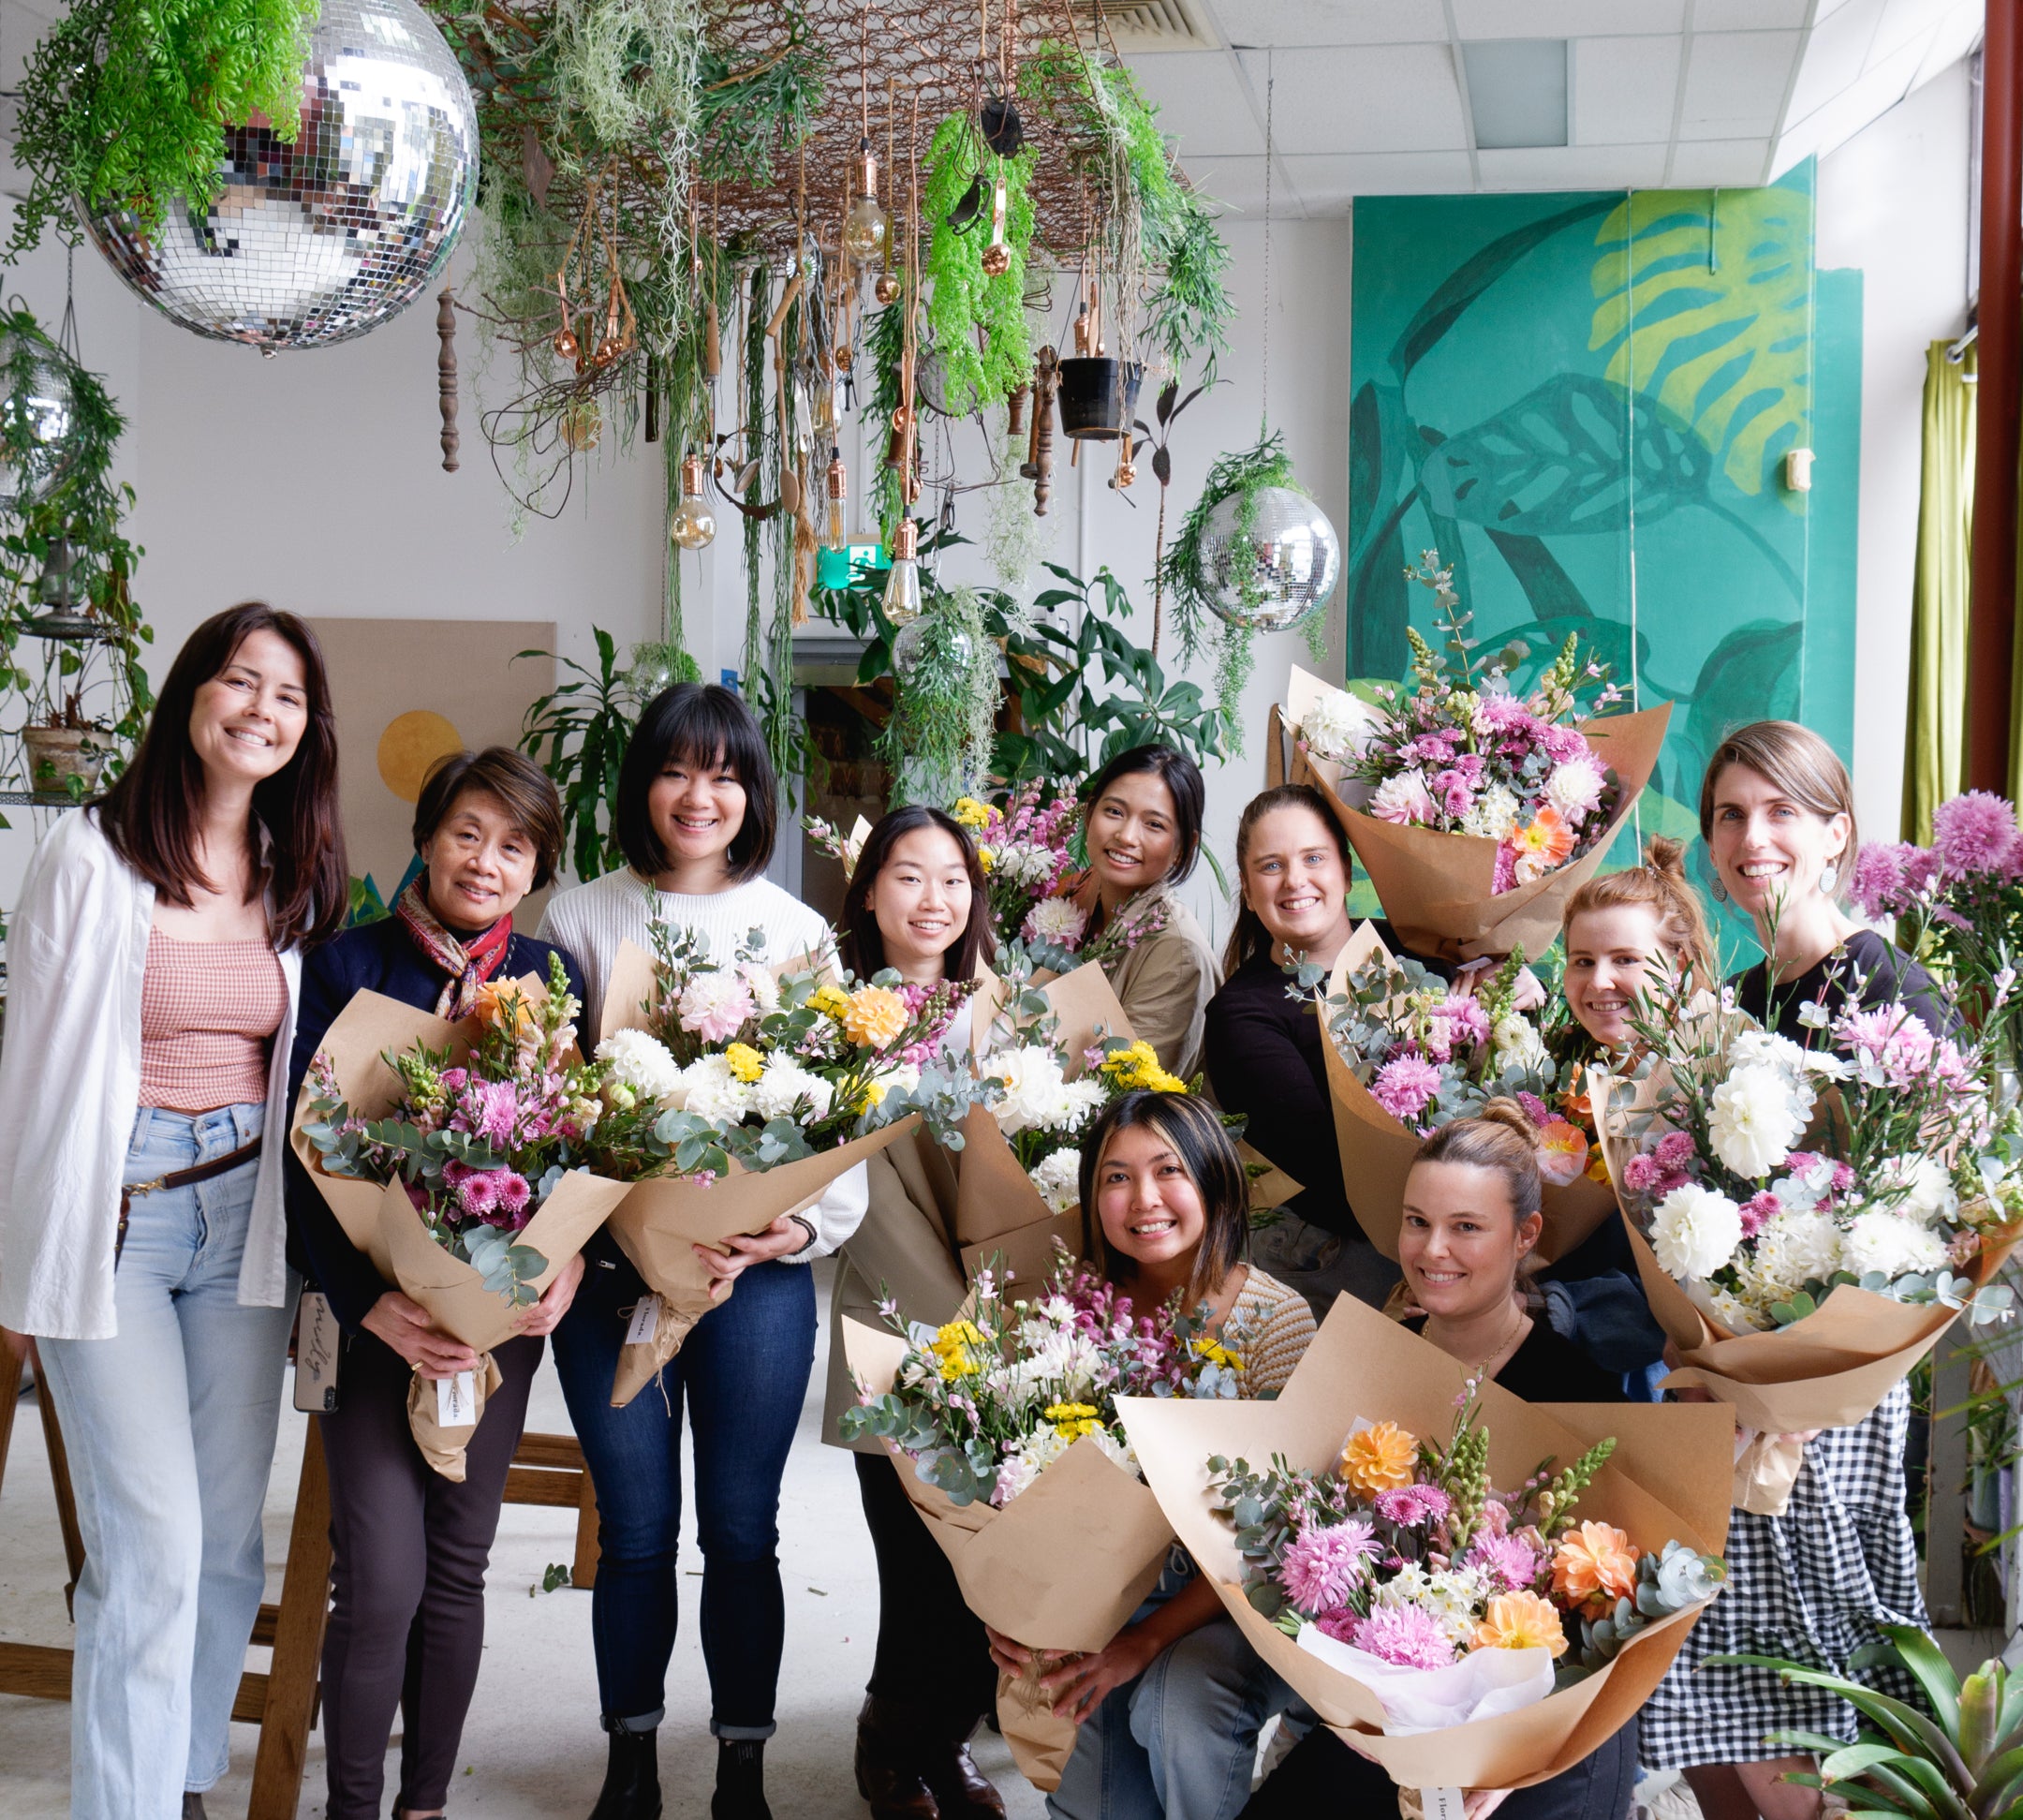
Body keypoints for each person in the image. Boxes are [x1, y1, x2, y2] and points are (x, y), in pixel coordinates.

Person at [0, 603, 347, 1820]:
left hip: (247, 1221)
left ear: (308, 728)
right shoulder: (90, 855)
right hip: (117, 1220)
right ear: (191, 691)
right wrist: (23, 1255)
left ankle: (182, 1780)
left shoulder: (296, 866)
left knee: (225, 1542)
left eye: (288, 694)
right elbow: (31, 1066)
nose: (262, 709)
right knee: (149, 1548)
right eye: (241, 680)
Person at [538, 681, 868, 1820]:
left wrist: (799, 1224)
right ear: (644, 784)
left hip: (752, 1277)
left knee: (740, 1529)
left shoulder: (798, 931)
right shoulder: (579, 918)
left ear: (752, 793)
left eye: (724, 774)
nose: (699, 795)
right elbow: (547, 1104)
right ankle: (630, 1763)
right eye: (677, 770)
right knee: (634, 1531)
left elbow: (841, 1114)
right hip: (612, 1278)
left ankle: (742, 1768)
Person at [284, 747, 587, 1820]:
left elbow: (586, 1149)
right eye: (467, 832)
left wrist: (567, 1263)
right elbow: (304, 1161)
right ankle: (352, 1806)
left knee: (459, 1565)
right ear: (425, 838)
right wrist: (370, 1301)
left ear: (537, 867)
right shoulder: (344, 964)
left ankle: (424, 1805)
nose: (486, 860)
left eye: (514, 845)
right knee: (380, 1582)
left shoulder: (553, 977)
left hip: (497, 1325)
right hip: (372, 1317)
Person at [1638, 723, 1933, 1820]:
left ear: (1835, 833)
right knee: (1708, 1674)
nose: (1750, 836)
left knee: (1817, 1687)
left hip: (1834, 1394)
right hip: (1732, 1379)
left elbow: (1930, 1222)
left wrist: (1796, 1375)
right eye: (1730, 814)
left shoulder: (1890, 990)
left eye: (1780, 812)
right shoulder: (1735, 1001)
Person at [1242, 1102, 1632, 1820]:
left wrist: (1518, 1759)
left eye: (1467, 1227)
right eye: (1417, 1221)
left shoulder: (1581, 1393)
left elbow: (1616, 1623)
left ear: (1526, 1235)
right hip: (1394, 1710)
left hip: (1544, 1735)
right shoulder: (1369, 1360)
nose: (1433, 1249)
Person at [986, 1089, 1317, 1820]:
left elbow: (1273, 1544)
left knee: (1174, 1708)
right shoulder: (1065, 1313)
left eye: (1169, 1170)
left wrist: (1143, 1641)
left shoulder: (1275, 1321)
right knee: (1073, 1728)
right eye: (1117, 1176)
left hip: (1235, 1602)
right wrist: (1014, 1607)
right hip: (1102, 1596)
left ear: (1214, 1180)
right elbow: (1008, 1479)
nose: (1143, 1198)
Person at [827, 804, 1007, 1820]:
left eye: (953, 878)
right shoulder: (833, 1022)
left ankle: (947, 1741)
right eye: (907, 875)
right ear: (867, 893)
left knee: (983, 1556)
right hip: (895, 1322)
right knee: (912, 1554)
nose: (933, 898)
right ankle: (891, 1741)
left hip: (1002, 1322)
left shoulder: (1005, 1011)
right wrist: (957, 1320)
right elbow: (861, 1200)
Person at [1203, 782, 1401, 1315]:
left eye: (1314, 858)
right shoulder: (1241, 1016)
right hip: (1340, 1251)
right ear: (1248, 892)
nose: (1295, 880)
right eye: (1271, 866)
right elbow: (1332, 1169)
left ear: (1346, 872)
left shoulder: (1408, 947)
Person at [1536, 838, 1717, 1393]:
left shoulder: (1709, 1094)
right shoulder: (1567, 1072)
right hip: (1564, 1366)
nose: (1598, 982)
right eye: (1582, 961)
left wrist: (1552, 1305)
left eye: (1625, 960)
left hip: (1662, 1381)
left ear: (1678, 965)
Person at [1061, 745, 1220, 1078]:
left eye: (1154, 824)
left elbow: (1124, 1085)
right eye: (1114, 811)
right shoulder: (1073, 893)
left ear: (1183, 847)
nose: (1126, 836)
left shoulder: (1179, 953)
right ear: (1089, 814)